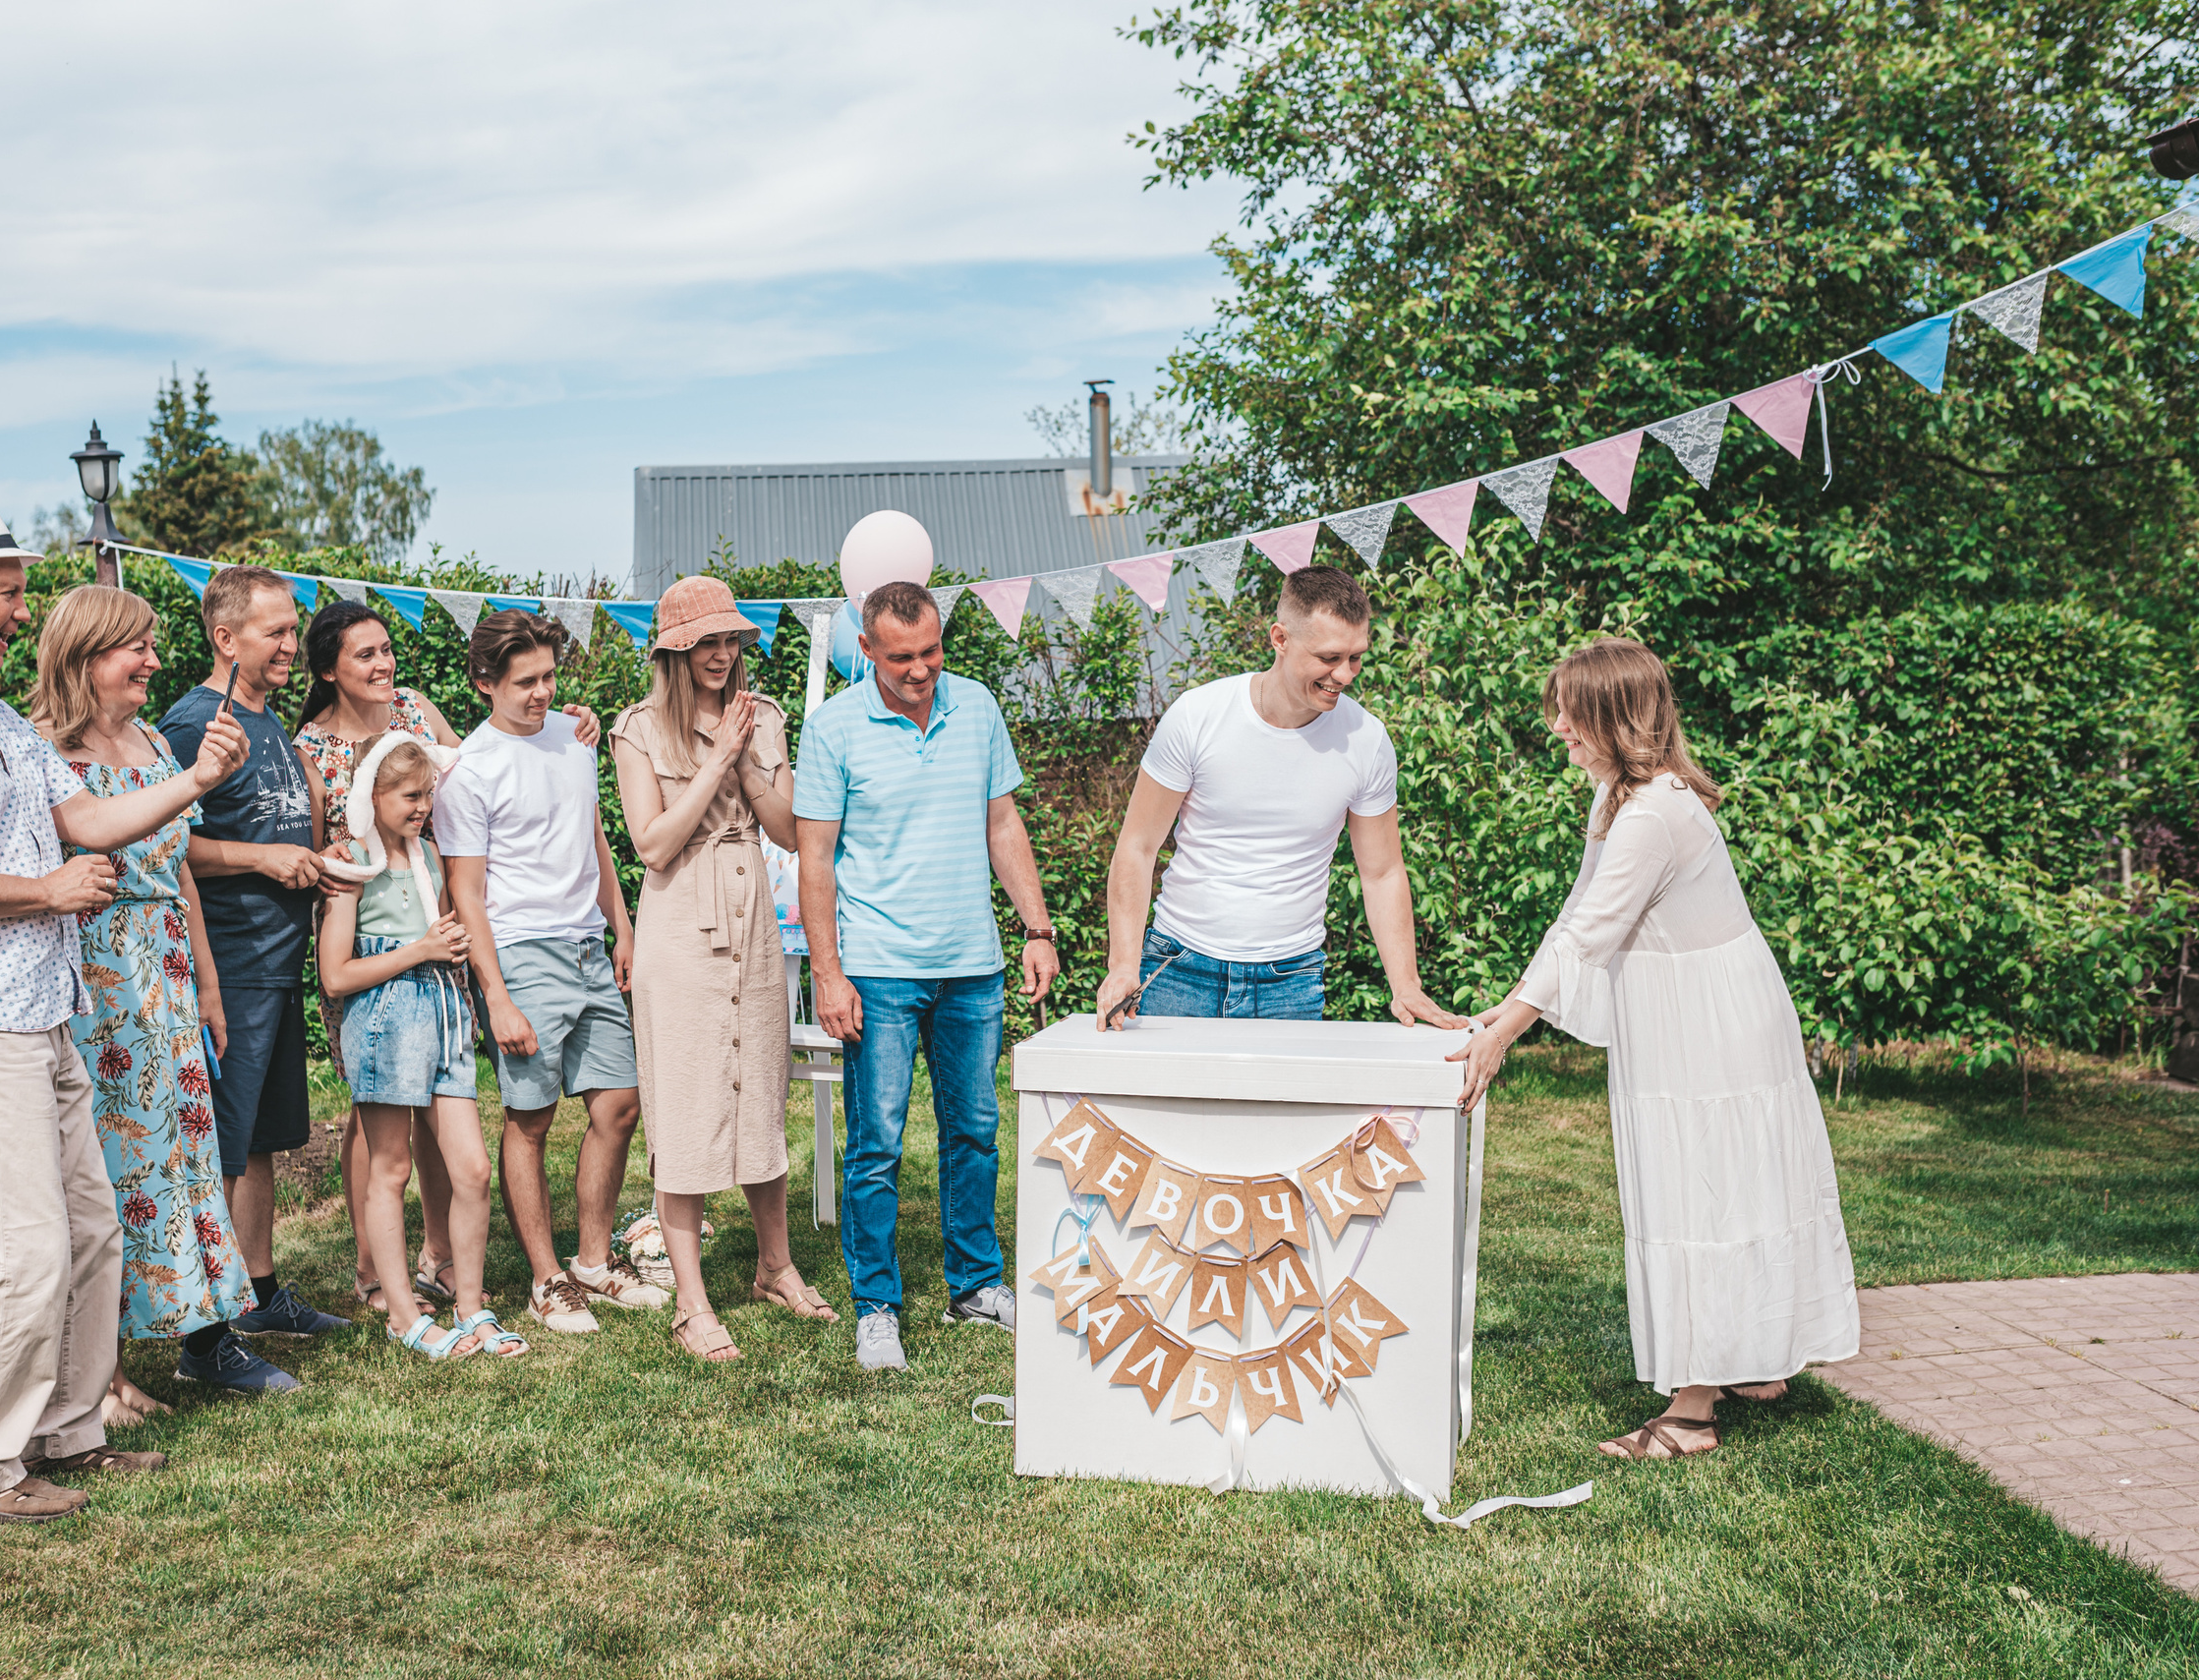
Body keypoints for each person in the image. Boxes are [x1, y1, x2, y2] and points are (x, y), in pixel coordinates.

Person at [0, 503, 249, 1525]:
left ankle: (69, 1430)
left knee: (89, 1229)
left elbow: (87, 819)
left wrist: (192, 779)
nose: (23, 612)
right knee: (26, 1247)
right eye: (9, 592)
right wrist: (46, 892)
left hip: (42, 1007)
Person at [1446, 637, 1860, 1461]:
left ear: (1610, 715)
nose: (1556, 723)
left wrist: (1502, 1037)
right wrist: (1505, 1008)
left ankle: (1693, 1411)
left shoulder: (1655, 814)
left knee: (1703, 1190)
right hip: (1690, 1001)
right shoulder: (1618, 800)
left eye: (1568, 708)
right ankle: (1753, 1361)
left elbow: (1590, 936)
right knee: (1730, 1184)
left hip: (1708, 1017)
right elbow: (1575, 917)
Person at [293, 600, 600, 1314]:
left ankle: (437, 1251)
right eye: (363, 654)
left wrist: (566, 723)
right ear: (330, 669)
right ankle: (374, 1271)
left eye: (385, 649)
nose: (382, 664)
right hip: (368, 928)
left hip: (438, 926)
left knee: (436, 1094)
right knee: (379, 1112)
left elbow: (484, 768)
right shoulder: (312, 748)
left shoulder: (417, 711)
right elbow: (318, 849)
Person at [794, 579, 1060, 1373]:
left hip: (972, 965)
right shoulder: (834, 728)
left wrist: (1037, 928)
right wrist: (830, 976)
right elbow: (814, 861)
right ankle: (876, 1306)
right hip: (876, 969)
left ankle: (975, 1284)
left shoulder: (974, 706)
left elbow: (1002, 823)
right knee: (875, 1146)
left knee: (976, 1132)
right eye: (902, 656)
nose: (920, 670)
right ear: (866, 650)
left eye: (932, 651)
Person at [28, 586, 277, 1415]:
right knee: (111, 1170)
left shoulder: (147, 743)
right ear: (88, 654)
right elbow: (92, 837)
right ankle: (105, 1371)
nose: (155, 661)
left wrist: (207, 984)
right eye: (137, 647)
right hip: (99, 985)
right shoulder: (44, 754)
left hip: (167, 976)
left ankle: (202, 1336)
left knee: (181, 1159)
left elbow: (177, 872)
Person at [611, 577, 836, 1363]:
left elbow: (786, 829)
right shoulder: (637, 730)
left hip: (754, 930)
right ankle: (693, 1301)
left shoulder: (765, 716)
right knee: (686, 1098)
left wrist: (747, 765)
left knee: (759, 1090)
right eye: (707, 641)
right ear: (675, 648)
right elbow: (653, 842)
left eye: (731, 638)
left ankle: (774, 1265)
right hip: (680, 925)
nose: (722, 653)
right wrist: (718, 761)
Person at [1096, 564, 1462, 1031]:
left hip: (1290, 979)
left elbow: (1382, 871)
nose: (1345, 675)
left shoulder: (1366, 740)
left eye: (1356, 658)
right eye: (1329, 657)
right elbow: (1137, 847)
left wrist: (1406, 984)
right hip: (1178, 967)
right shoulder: (1196, 717)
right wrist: (1124, 963)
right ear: (1280, 639)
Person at [437, 609, 667, 1335]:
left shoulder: (575, 736)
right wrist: (496, 995)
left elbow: (592, 834)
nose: (543, 692)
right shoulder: (468, 771)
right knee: (531, 1119)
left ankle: (595, 1262)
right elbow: (466, 894)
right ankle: (546, 1280)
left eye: (549, 677)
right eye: (525, 682)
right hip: (522, 951)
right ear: (484, 683)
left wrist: (622, 926)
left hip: (587, 945)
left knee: (619, 1103)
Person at [158, 565, 351, 1361]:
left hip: (278, 966)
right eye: (274, 631)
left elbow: (278, 834)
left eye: (290, 627)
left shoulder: (269, 721)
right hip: (229, 966)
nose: (290, 645)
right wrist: (266, 860)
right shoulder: (191, 722)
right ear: (225, 638)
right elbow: (168, 841)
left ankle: (260, 1293)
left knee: (262, 1140)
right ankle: (203, 1334)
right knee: (219, 1151)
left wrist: (317, 858)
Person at [317, 732, 526, 1361]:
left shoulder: (428, 854)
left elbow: (437, 927)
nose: (422, 807)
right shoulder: (351, 861)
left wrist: (449, 942)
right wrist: (421, 950)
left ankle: (470, 1304)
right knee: (392, 1166)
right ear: (371, 796)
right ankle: (403, 1313)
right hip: (385, 1017)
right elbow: (335, 975)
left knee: (472, 1169)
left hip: (442, 1011)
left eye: (427, 795)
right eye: (409, 796)